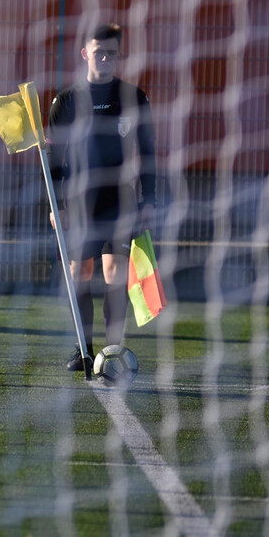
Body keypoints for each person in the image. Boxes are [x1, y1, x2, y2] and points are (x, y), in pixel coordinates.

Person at [48, 22, 156, 372]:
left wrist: (150, 199)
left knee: (114, 272)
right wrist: (55, 207)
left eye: (112, 53)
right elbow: (52, 160)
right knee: (80, 271)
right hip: (79, 202)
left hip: (121, 200)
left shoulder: (134, 98)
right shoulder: (66, 101)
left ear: (118, 56)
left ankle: (113, 351)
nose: (105, 58)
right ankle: (82, 350)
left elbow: (149, 152)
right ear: (85, 54)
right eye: (99, 52)